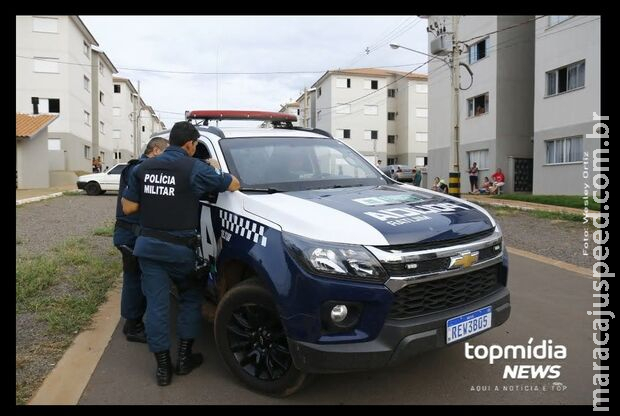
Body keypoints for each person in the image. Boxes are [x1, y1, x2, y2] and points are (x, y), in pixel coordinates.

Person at [122, 121, 240, 386]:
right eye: (195, 144)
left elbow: (129, 207)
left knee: (156, 306)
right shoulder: (195, 168)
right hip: (180, 251)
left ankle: (163, 369)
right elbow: (233, 184)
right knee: (190, 298)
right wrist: (215, 170)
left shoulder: (143, 168)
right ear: (190, 144)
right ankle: (184, 359)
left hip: (149, 250)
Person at [113, 136, 169, 344]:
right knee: (134, 280)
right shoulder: (138, 168)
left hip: (133, 234)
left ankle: (132, 321)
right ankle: (133, 325)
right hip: (130, 235)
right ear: (155, 151)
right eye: (166, 153)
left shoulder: (143, 168)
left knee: (135, 278)